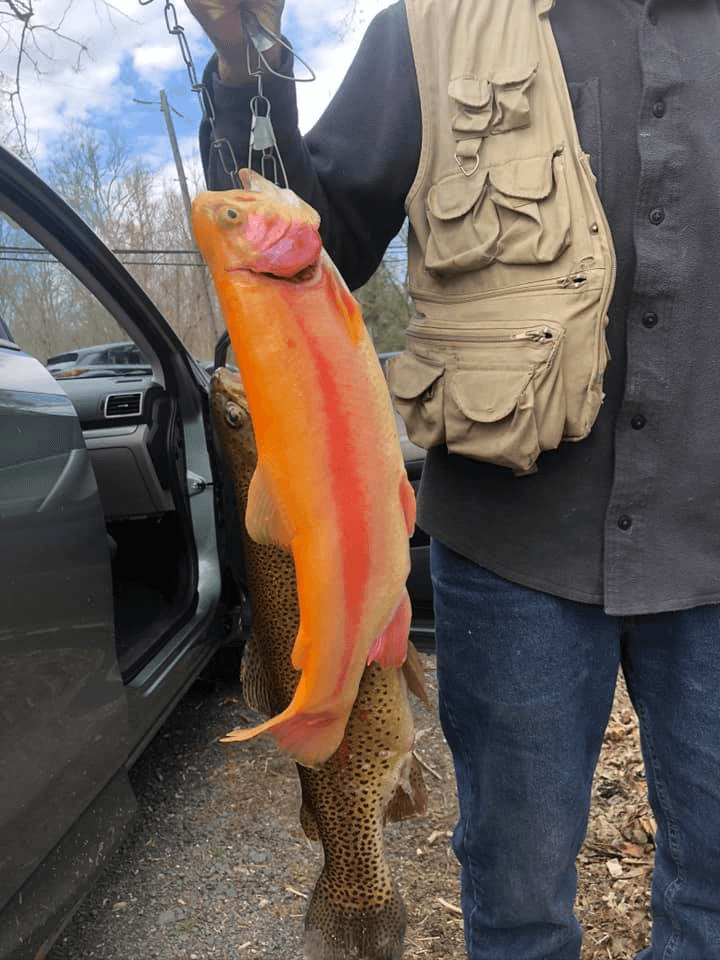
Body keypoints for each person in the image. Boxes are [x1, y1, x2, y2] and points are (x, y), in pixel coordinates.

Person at [185, 2, 720, 958]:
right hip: (513, 556)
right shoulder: (429, 27)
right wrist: (244, 59)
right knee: (514, 903)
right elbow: (309, 242)